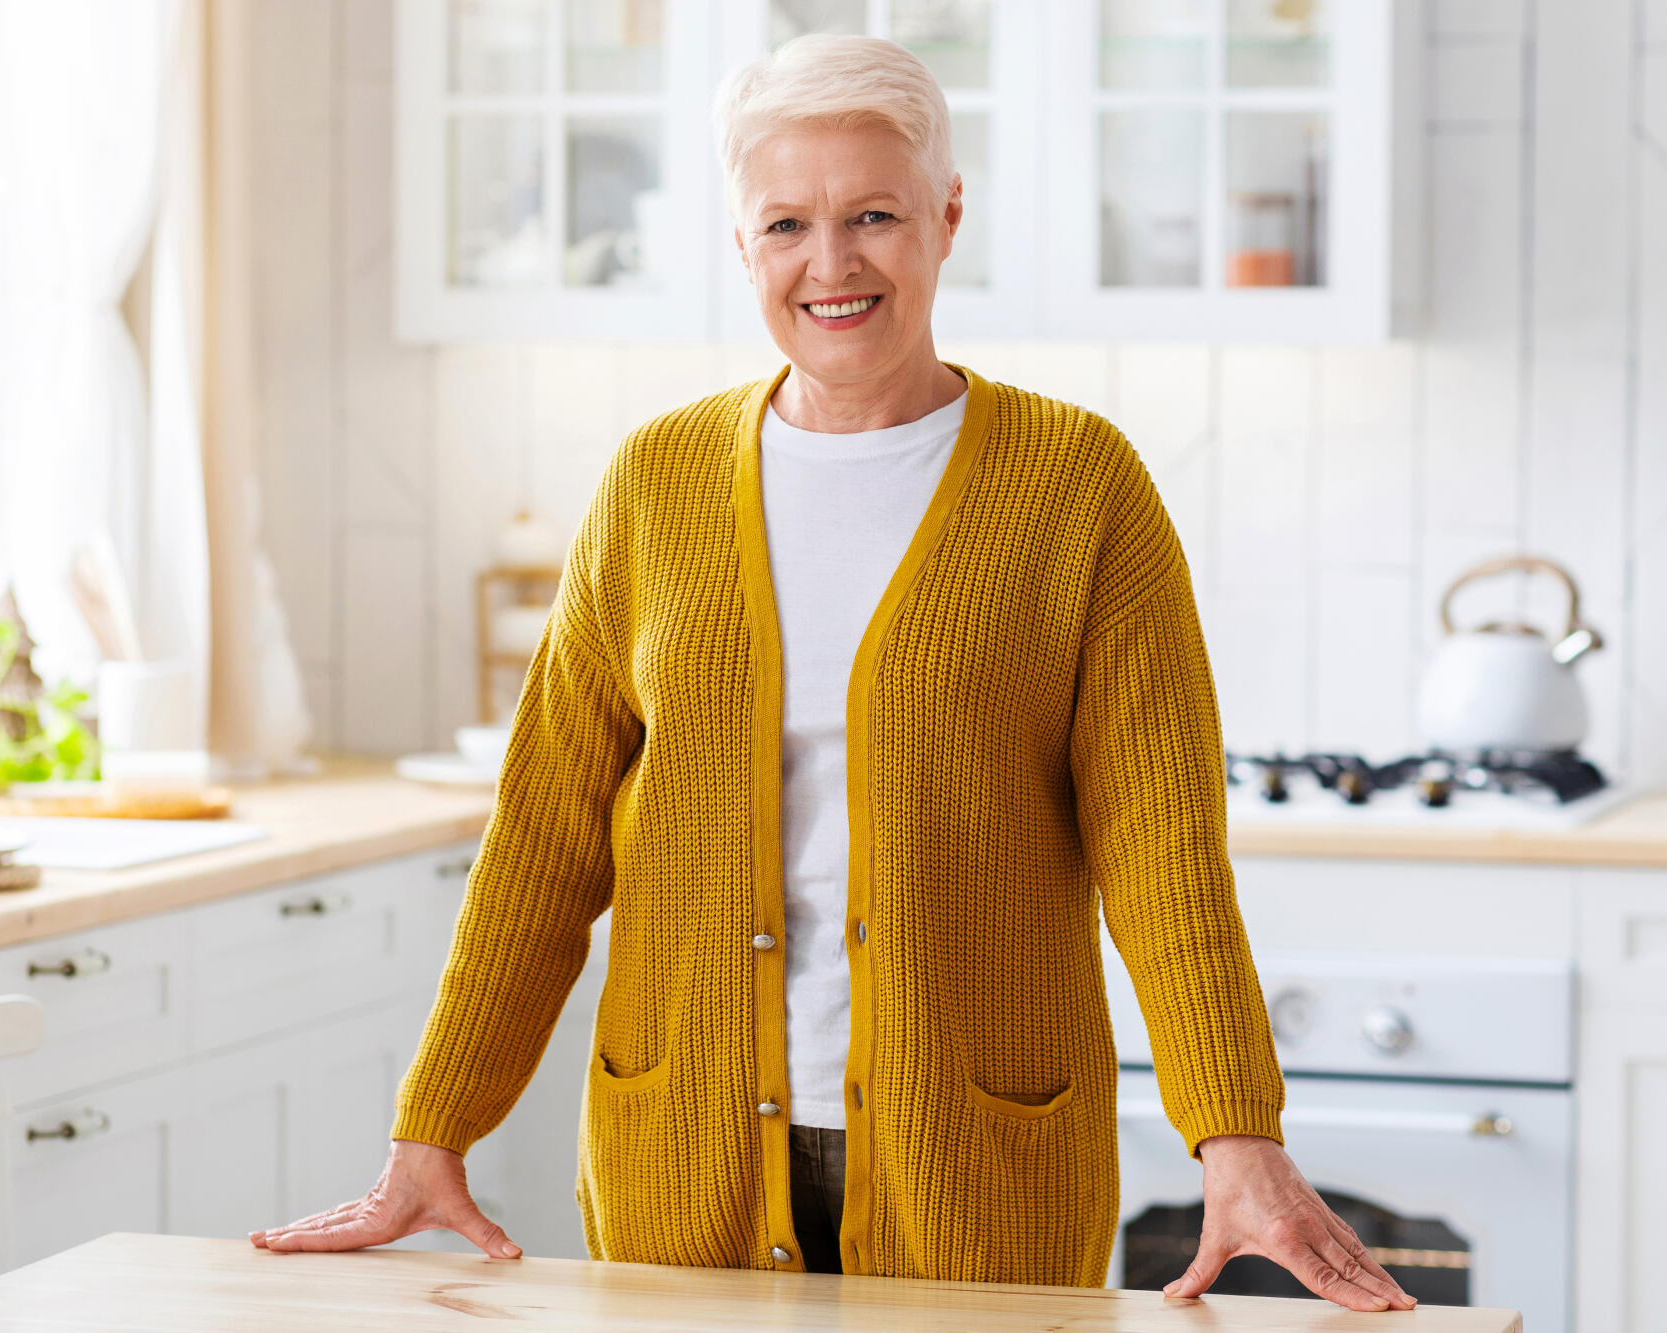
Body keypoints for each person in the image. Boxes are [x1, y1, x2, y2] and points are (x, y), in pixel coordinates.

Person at [252, 33, 1415, 1314]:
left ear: (945, 217)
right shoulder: (654, 484)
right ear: (740, 243)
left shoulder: (1079, 486)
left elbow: (1162, 847)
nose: (832, 263)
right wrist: (436, 1129)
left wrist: (1235, 1135)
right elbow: (544, 837)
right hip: (678, 1141)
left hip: (983, 1152)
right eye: (787, 224)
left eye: (873, 214)